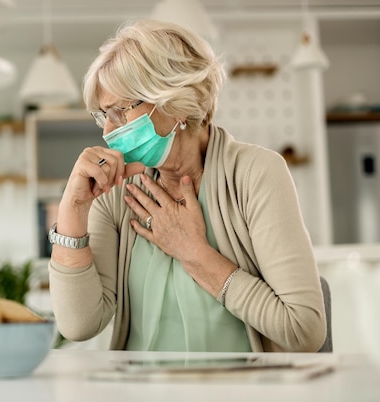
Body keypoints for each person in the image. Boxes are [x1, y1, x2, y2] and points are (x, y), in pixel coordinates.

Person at [47, 19, 326, 352]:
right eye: (102, 115)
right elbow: (78, 325)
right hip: (138, 397)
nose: (108, 129)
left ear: (173, 102)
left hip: (242, 397)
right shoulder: (116, 193)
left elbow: (304, 330)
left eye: (119, 111)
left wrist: (193, 253)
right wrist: (73, 210)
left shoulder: (255, 174)